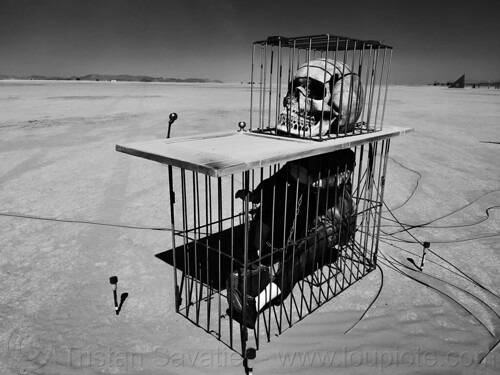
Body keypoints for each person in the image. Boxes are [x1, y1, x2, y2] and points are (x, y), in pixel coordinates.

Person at [226, 149, 357, 328]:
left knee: (298, 258)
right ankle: (257, 260)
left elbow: (340, 178)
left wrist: (313, 182)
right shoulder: (307, 153)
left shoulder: (345, 155)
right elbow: (277, 178)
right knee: (274, 196)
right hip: (304, 219)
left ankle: (255, 305)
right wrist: (255, 195)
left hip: (333, 222)